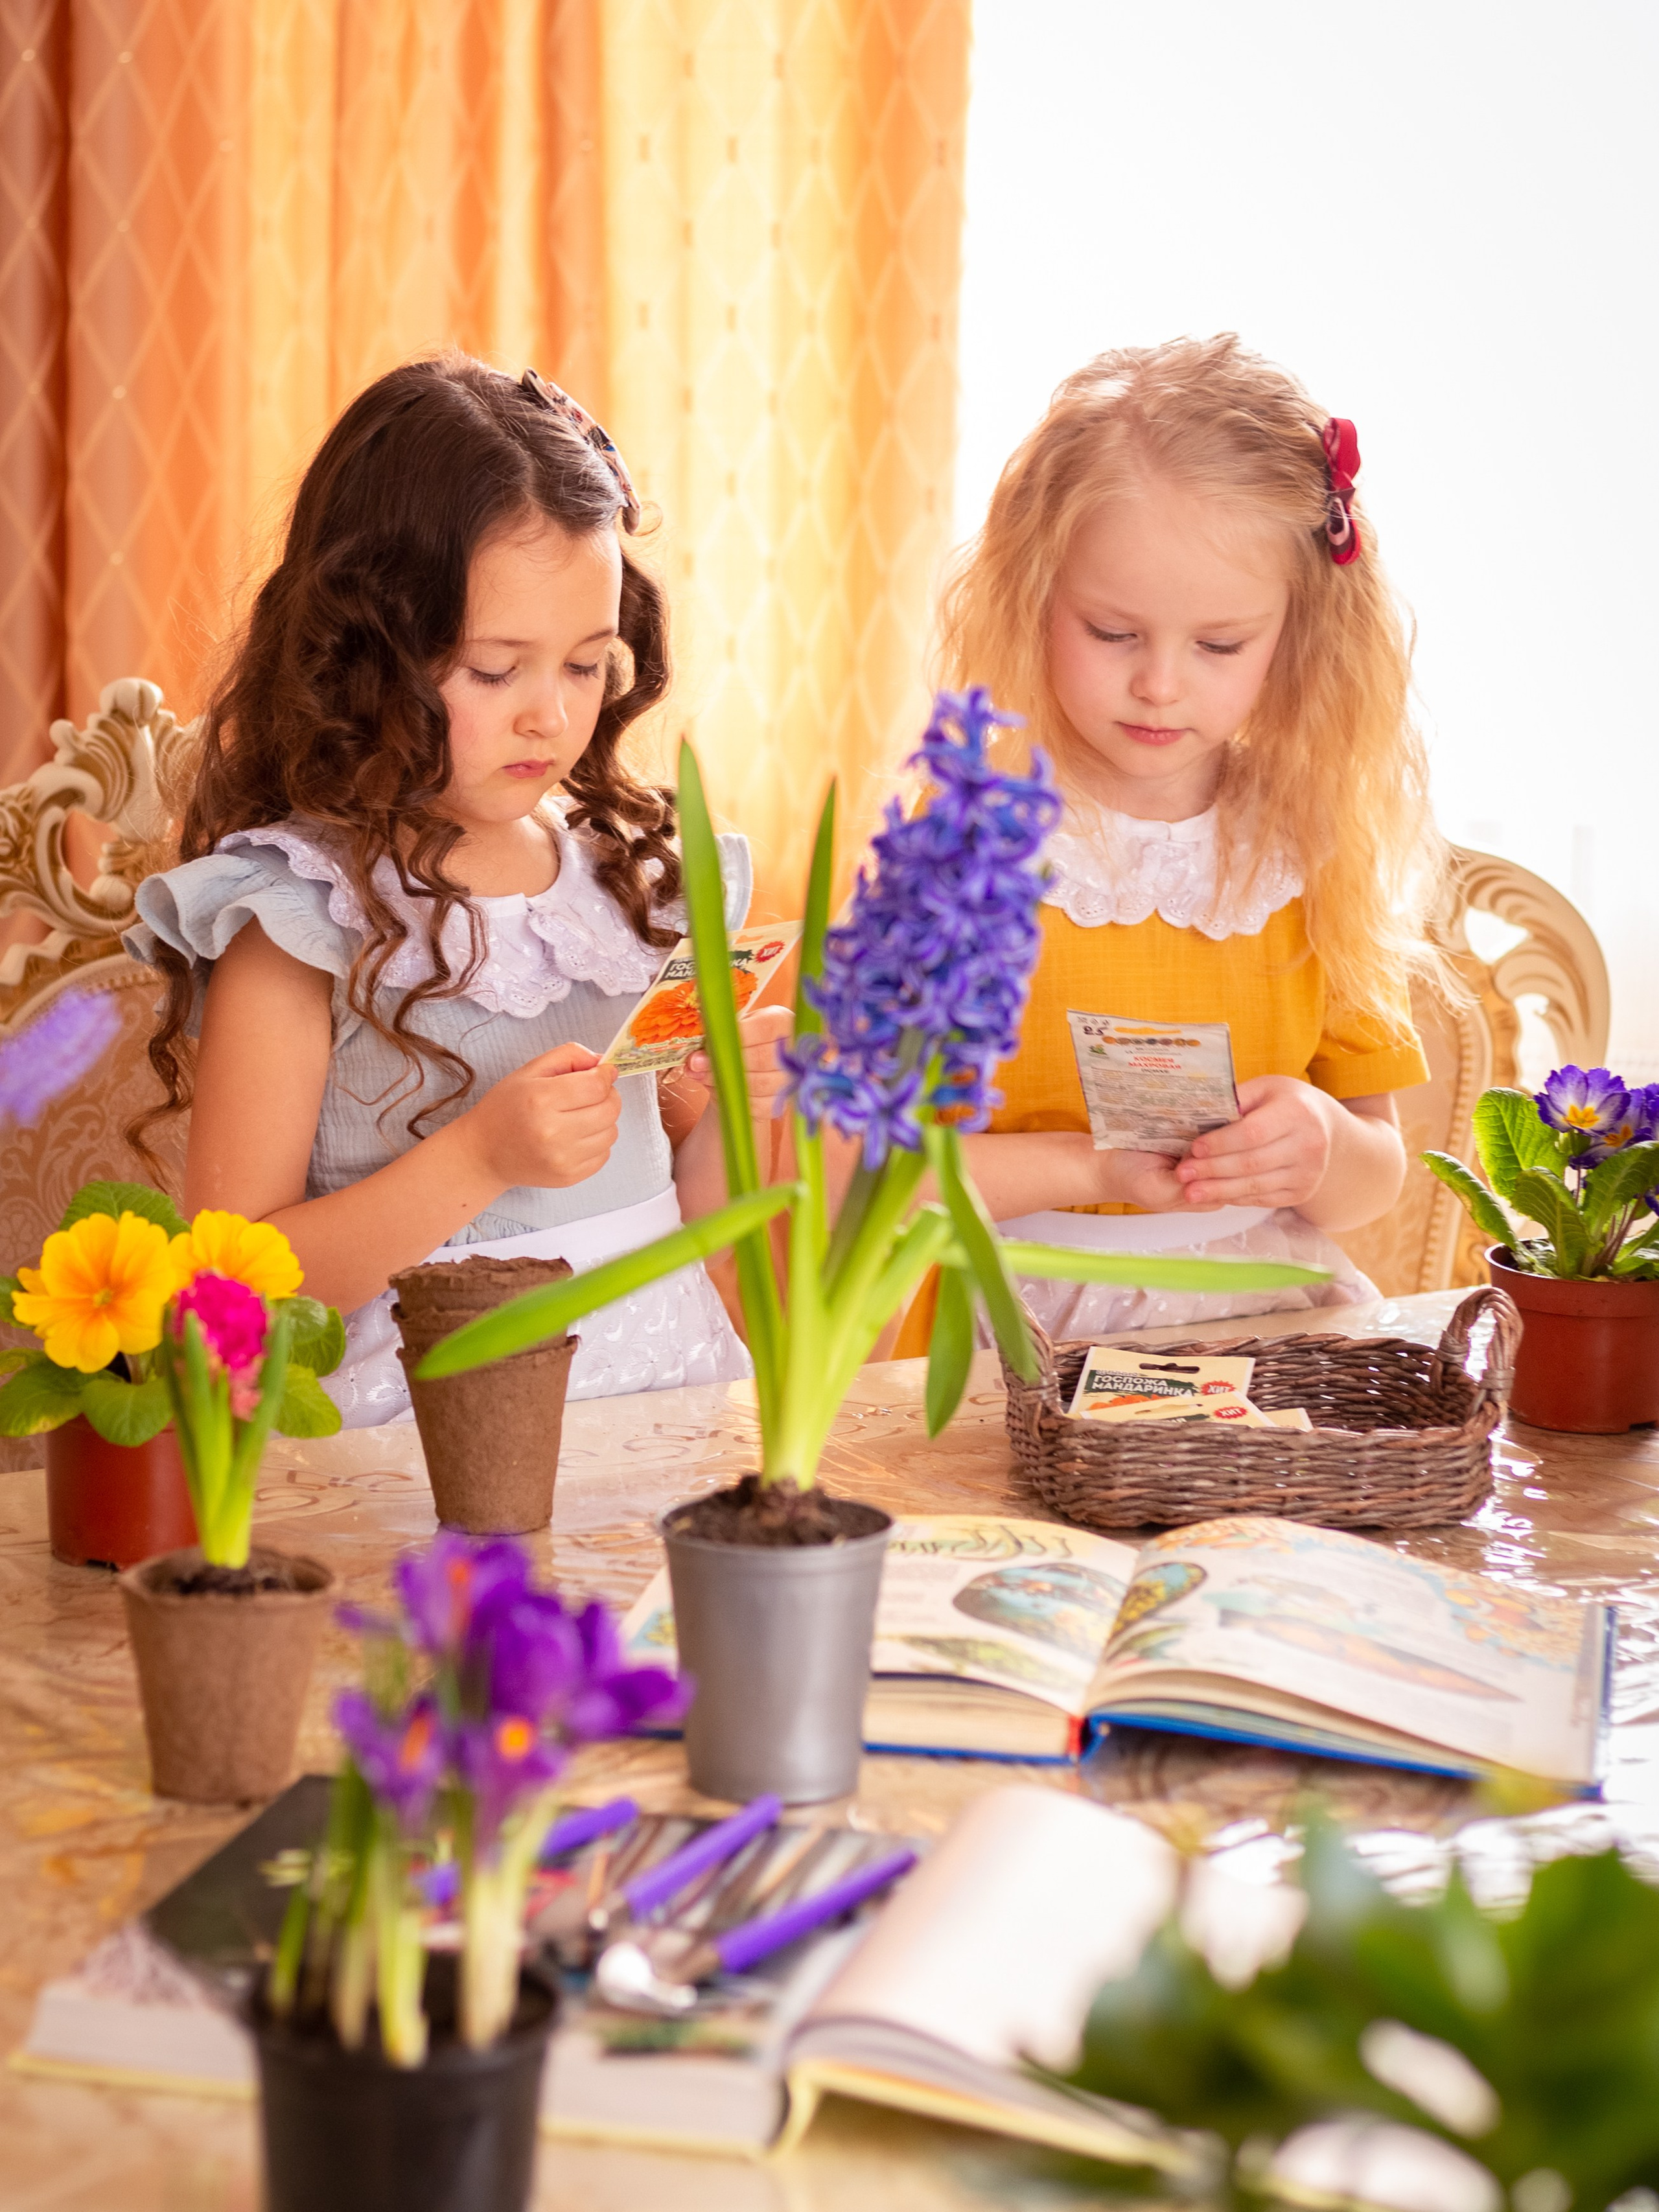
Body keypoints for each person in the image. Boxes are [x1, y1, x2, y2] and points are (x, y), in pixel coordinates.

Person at [128, 354, 789, 1424]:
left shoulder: (627, 888)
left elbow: (694, 1214)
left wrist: (728, 1111)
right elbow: (230, 1287)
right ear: (367, 655)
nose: (551, 717)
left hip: (662, 1408)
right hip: (423, 1448)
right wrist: (479, 1157)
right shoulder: (299, 917)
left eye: (587, 665)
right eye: (494, 670)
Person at [900, 334, 1443, 1350]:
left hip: (1272, 1319)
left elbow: (1379, 1166)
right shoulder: (966, 852)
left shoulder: (1310, 845)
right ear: (1033, 597)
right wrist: (1090, 1169)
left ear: (1298, 633)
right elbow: (884, 1172)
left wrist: (1322, 1144)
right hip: (1024, 1323)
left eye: (1219, 645)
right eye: (1113, 633)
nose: (1159, 683)